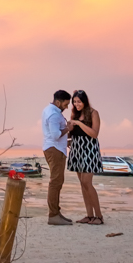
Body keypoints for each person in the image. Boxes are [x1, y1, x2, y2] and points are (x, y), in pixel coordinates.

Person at [66, 89, 104, 224]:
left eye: (79, 101)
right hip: (77, 150)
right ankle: (89, 215)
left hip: (89, 150)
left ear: (85, 101)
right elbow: (71, 133)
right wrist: (69, 129)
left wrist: (79, 123)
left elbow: (94, 134)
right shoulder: (74, 114)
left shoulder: (94, 113)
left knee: (88, 183)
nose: (76, 104)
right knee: (82, 184)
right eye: (74, 102)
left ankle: (99, 216)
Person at [41, 90, 72, 224]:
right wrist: (69, 128)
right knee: (55, 182)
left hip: (53, 148)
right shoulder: (54, 114)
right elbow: (55, 135)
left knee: (57, 182)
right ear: (58, 102)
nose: (66, 107)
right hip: (55, 150)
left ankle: (56, 213)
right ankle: (53, 215)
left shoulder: (48, 110)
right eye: (65, 105)